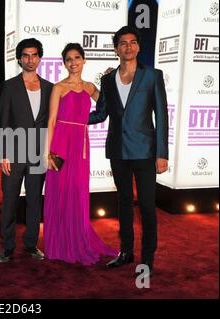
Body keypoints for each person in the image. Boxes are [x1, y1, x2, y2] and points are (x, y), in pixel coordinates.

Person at [88, 26, 169, 277]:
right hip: (118, 150)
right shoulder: (108, 79)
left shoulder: (152, 75)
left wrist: (162, 153)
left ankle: (147, 259)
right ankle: (125, 252)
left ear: (139, 47)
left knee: (146, 205)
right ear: (116, 48)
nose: (128, 47)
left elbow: (162, 115)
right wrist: (70, 117)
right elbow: (101, 113)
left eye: (133, 42)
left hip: (145, 150)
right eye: (123, 43)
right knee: (123, 203)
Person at [44, 43, 118, 266]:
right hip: (61, 142)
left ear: (84, 60)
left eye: (77, 57)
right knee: (60, 191)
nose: (73, 62)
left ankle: (77, 237)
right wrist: (47, 153)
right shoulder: (58, 88)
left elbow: (104, 108)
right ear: (64, 63)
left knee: (77, 191)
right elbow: (51, 121)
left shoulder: (89, 87)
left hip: (80, 144)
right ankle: (59, 243)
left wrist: (108, 81)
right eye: (68, 59)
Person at [0, 38, 53, 263]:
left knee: (34, 201)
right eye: (26, 55)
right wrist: (2, 152)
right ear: (20, 58)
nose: (30, 59)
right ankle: (7, 246)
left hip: (39, 154)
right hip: (14, 153)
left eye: (34, 55)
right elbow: (2, 121)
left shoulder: (50, 87)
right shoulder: (9, 86)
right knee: (9, 200)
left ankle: (31, 244)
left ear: (40, 57)